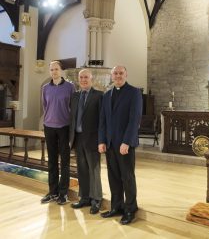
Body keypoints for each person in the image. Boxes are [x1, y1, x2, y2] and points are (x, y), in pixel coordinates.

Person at [98, 65, 142, 225]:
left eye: (121, 73)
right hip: (109, 144)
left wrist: (127, 142)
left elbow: (134, 119)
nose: (118, 76)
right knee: (113, 177)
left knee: (127, 177)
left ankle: (130, 209)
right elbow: (102, 120)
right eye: (115, 73)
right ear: (111, 76)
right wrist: (101, 140)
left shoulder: (134, 92)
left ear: (126, 74)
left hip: (125, 145)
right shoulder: (107, 94)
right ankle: (116, 206)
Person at [41, 60, 75, 205]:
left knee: (65, 162)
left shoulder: (70, 87)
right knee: (52, 161)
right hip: (49, 127)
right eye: (52, 69)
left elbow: (73, 108)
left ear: (61, 71)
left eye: (56, 69)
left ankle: (63, 193)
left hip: (64, 127)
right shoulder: (45, 88)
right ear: (50, 71)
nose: (54, 71)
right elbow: (45, 106)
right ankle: (52, 192)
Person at [69, 69, 103, 214]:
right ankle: (84, 198)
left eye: (86, 77)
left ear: (91, 79)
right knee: (82, 170)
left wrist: (102, 140)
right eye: (81, 77)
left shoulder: (99, 96)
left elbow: (102, 120)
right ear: (78, 79)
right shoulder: (75, 96)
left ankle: (96, 199)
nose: (83, 79)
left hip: (93, 139)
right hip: (78, 138)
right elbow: (72, 118)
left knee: (94, 170)